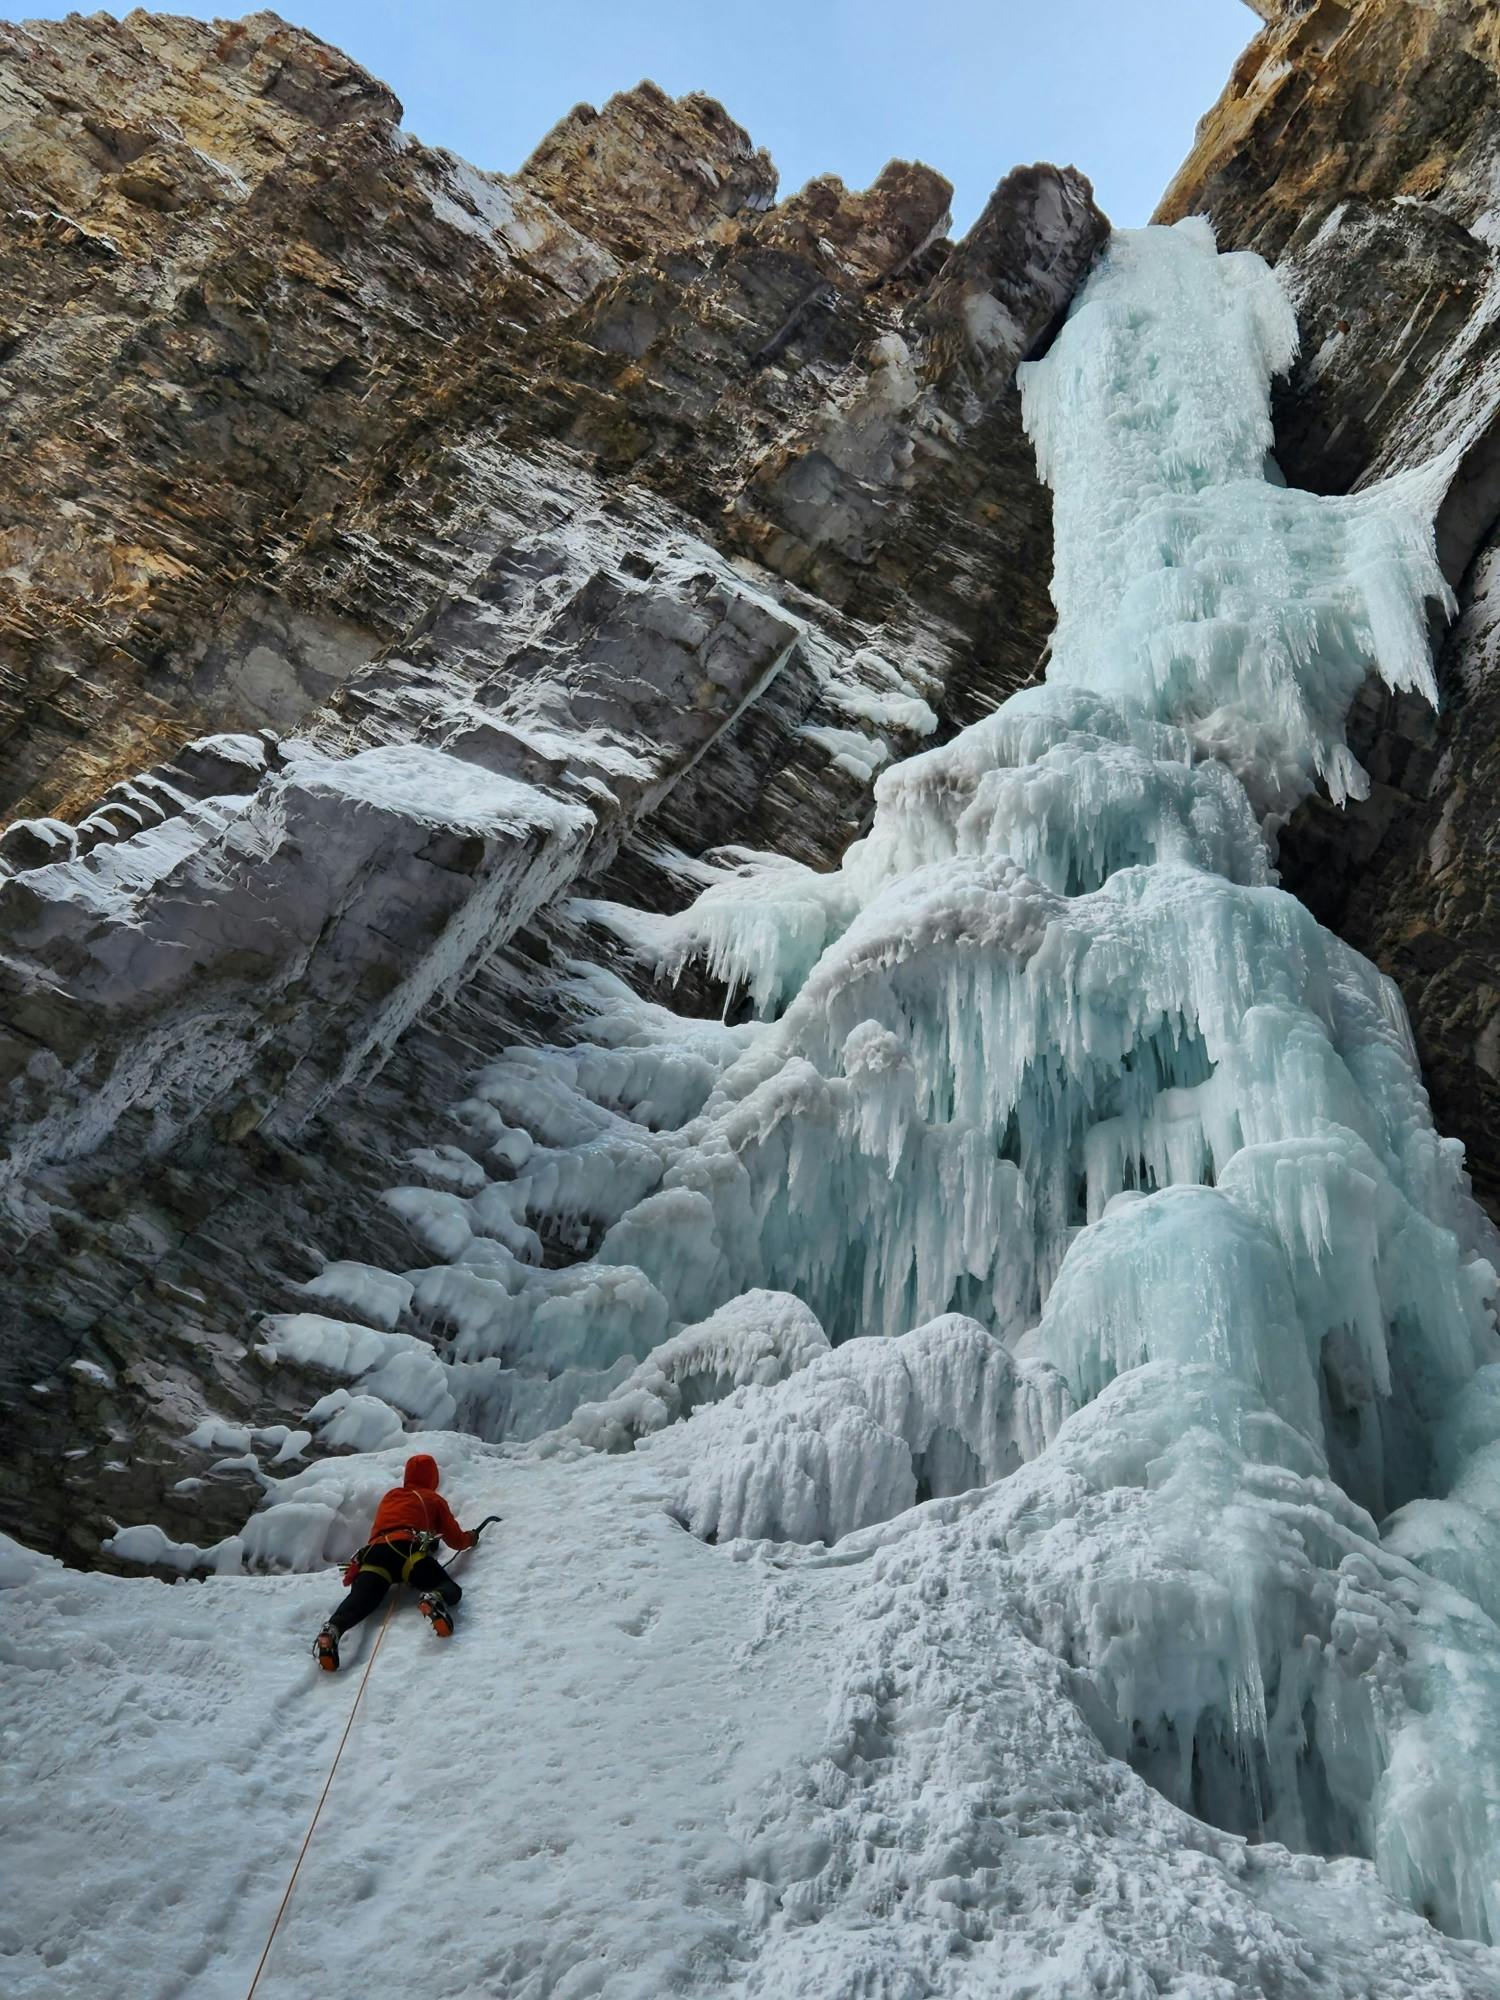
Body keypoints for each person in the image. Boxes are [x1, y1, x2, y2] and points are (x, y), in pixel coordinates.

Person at [314, 1453, 478, 1672]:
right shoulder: (432, 1499)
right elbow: (455, 1540)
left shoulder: (392, 1496)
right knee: (448, 1588)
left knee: (361, 1600)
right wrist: (471, 1538)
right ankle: (434, 1597)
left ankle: (333, 1629)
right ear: (432, 1478)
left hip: (373, 1554)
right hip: (407, 1551)